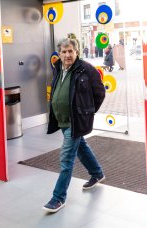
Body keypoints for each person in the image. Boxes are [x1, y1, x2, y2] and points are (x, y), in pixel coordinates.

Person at [43, 38, 106, 213]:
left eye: (70, 51)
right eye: (64, 52)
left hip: (76, 120)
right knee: (81, 147)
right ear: (59, 54)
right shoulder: (57, 68)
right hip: (62, 119)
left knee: (66, 157)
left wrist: (87, 112)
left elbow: (99, 92)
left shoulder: (86, 69)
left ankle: (58, 198)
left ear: (76, 51)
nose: (67, 55)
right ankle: (97, 173)